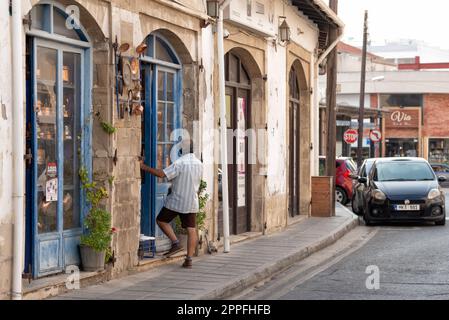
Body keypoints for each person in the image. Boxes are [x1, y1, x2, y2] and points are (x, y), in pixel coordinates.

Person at [139, 139, 203, 268]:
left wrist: (144, 167)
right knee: (191, 230)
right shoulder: (199, 163)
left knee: (161, 220)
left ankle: (175, 243)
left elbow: (162, 174)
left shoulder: (180, 163)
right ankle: (189, 259)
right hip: (191, 200)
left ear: (182, 149)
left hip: (177, 200)